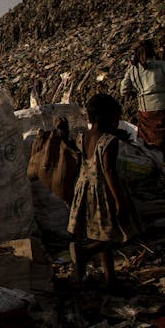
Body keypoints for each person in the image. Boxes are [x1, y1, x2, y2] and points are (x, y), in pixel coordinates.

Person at [68, 93, 142, 290]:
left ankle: (111, 279)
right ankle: (84, 252)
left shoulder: (82, 137)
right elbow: (109, 172)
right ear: (108, 117)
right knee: (118, 234)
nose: (118, 122)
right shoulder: (109, 141)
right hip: (104, 192)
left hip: (85, 190)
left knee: (101, 234)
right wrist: (120, 201)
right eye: (117, 118)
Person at [120, 39, 165, 153]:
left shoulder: (133, 70)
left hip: (146, 110)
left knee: (148, 140)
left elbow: (123, 90)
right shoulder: (161, 65)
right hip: (163, 107)